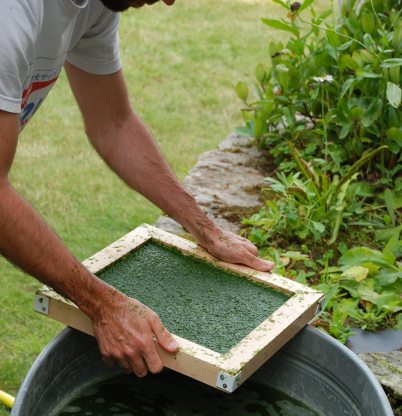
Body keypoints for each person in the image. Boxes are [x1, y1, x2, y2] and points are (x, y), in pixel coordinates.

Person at [0, 0, 274, 379]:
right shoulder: (10, 16)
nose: (170, 1)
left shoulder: (96, 5)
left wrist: (204, 227)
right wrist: (102, 305)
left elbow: (114, 123)